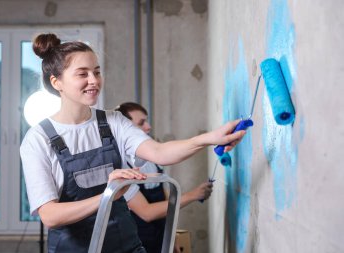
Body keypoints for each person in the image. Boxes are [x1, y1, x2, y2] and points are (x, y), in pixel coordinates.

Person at [20, 33, 246, 253]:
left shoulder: (112, 122)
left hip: (126, 246)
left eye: (97, 72)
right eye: (82, 74)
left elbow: (159, 152)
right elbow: (50, 215)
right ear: (56, 81)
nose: (94, 80)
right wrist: (110, 194)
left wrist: (209, 138)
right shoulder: (38, 140)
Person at [115, 102, 213, 253]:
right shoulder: (122, 167)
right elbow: (146, 213)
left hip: (160, 239)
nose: (148, 127)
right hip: (138, 243)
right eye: (141, 123)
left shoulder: (152, 160)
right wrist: (194, 195)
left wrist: (170, 239)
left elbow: (167, 203)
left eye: (146, 121)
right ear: (126, 128)